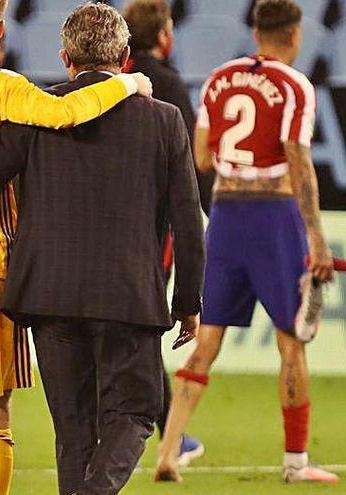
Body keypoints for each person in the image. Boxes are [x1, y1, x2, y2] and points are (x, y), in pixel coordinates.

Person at [0, 5, 205, 494]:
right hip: (128, 296)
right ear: (126, 58)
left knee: (73, 429)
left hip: (48, 295)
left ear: (66, 59)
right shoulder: (164, 121)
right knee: (135, 413)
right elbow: (188, 221)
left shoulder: (34, 112)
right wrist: (187, 302)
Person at [155, 0, 339, 484]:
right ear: (295, 36)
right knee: (291, 342)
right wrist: (316, 240)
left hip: (227, 218)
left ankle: (168, 452)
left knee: (206, 342)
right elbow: (299, 163)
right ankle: (296, 462)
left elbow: (200, 156)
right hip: (274, 219)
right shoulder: (294, 85)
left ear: (255, 30)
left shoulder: (219, 78)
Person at [122, 0, 206, 468]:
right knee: (143, 326)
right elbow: (190, 166)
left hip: (100, 225)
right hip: (154, 228)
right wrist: (207, 213)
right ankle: (167, 429)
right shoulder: (168, 84)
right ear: (164, 35)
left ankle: (166, 428)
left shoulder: (109, 80)